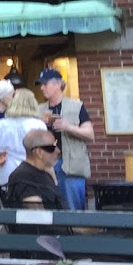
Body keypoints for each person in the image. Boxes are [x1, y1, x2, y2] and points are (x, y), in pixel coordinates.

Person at [0, 88, 47, 206]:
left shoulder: (3, 124)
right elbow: (44, 153)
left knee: (8, 217)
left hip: (5, 178)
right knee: (31, 217)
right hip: (31, 178)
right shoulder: (38, 125)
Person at [38, 68, 94, 211]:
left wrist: (68, 127)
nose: (42, 88)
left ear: (58, 85)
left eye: (45, 84)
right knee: (49, 207)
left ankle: (75, 233)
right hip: (45, 165)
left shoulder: (76, 106)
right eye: (41, 84)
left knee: (73, 208)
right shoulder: (39, 110)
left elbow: (90, 134)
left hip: (71, 165)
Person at [5, 127, 66, 212]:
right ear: (39, 152)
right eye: (52, 147)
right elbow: (37, 216)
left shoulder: (45, 174)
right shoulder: (23, 177)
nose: (58, 151)